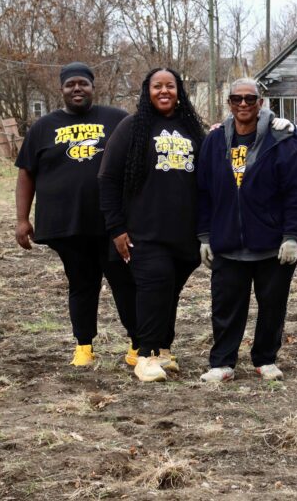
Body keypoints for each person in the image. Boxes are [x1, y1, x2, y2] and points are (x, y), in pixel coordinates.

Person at [15, 62, 136, 367]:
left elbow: (140, 157)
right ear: (62, 89)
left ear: (93, 87)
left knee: (124, 282)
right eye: (70, 84)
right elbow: (26, 173)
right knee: (81, 284)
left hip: (112, 224)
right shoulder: (43, 127)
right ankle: (84, 347)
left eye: (83, 83)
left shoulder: (117, 119)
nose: (77, 89)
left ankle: (138, 345)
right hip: (67, 224)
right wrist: (22, 219)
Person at [197, 78, 297, 383]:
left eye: (250, 99)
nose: (243, 104)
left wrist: (292, 236)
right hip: (227, 243)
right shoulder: (215, 141)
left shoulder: (281, 141)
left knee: (272, 306)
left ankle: (265, 358)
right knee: (225, 307)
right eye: (237, 99)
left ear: (261, 103)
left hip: (271, 245)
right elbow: (203, 193)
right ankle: (223, 363)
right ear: (229, 103)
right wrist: (204, 236)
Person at [98, 67, 206, 382]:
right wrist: (116, 228)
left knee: (170, 290)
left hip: (184, 231)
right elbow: (107, 178)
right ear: (147, 91)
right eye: (157, 86)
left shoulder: (192, 128)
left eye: (170, 86)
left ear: (179, 91)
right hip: (143, 230)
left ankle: (163, 349)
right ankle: (144, 355)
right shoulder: (132, 127)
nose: (164, 91)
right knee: (155, 285)